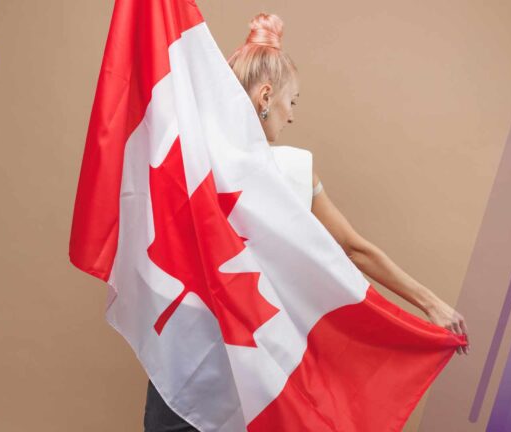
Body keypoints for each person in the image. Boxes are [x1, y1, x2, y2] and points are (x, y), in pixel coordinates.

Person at [144, 12, 470, 432]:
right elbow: (355, 250)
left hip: (185, 359)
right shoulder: (295, 170)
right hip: (257, 365)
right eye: (290, 101)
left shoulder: (188, 166)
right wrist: (432, 305)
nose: (291, 115)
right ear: (265, 97)